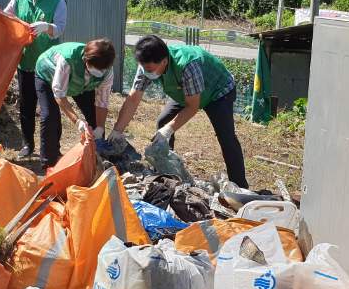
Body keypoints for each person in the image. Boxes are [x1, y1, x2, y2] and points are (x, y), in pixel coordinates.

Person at [109, 34, 248, 188]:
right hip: (186, 91)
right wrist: (117, 130)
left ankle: (241, 186)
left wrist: (168, 129)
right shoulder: (147, 66)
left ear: (164, 61)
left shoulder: (188, 65)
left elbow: (192, 106)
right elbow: (133, 98)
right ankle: (166, 172)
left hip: (218, 90)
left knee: (226, 137)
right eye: (144, 68)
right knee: (163, 121)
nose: (146, 72)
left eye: (149, 69)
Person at [3, 0, 67, 159]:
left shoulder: (57, 1)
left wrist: (46, 26)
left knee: (49, 109)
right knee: (26, 107)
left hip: (48, 65)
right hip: (26, 62)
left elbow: (59, 29)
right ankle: (27, 144)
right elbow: (6, 18)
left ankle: (52, 147)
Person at [33, 39, 115, 168]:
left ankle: (96, 159)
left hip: (81, 85)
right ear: (85, 60)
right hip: (48, 75)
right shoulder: (68, 59)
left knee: (94, 118)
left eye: (102, 70)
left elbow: (102, 102)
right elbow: (59, 95)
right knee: (50, 116)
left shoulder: (107, 70)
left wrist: (100, 127)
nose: (99, 72)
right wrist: (77, 121)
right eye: (95, 68)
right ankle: (50, 162)